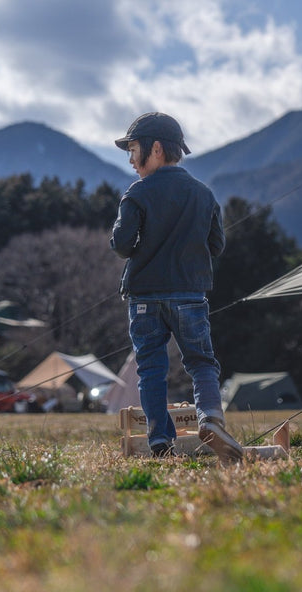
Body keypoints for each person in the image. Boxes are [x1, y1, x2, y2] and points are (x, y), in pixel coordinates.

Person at [110, 111, 244, 464]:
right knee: (201, 362)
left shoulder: (136, 194)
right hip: (189, 294)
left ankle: (159, 440)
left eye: (133, 148)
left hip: (143, 297)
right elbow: (216, 245)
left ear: (154, 149)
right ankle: (211, 419)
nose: (130, 159)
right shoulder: (204, 194)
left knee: (151, 368)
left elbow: (122, 245)